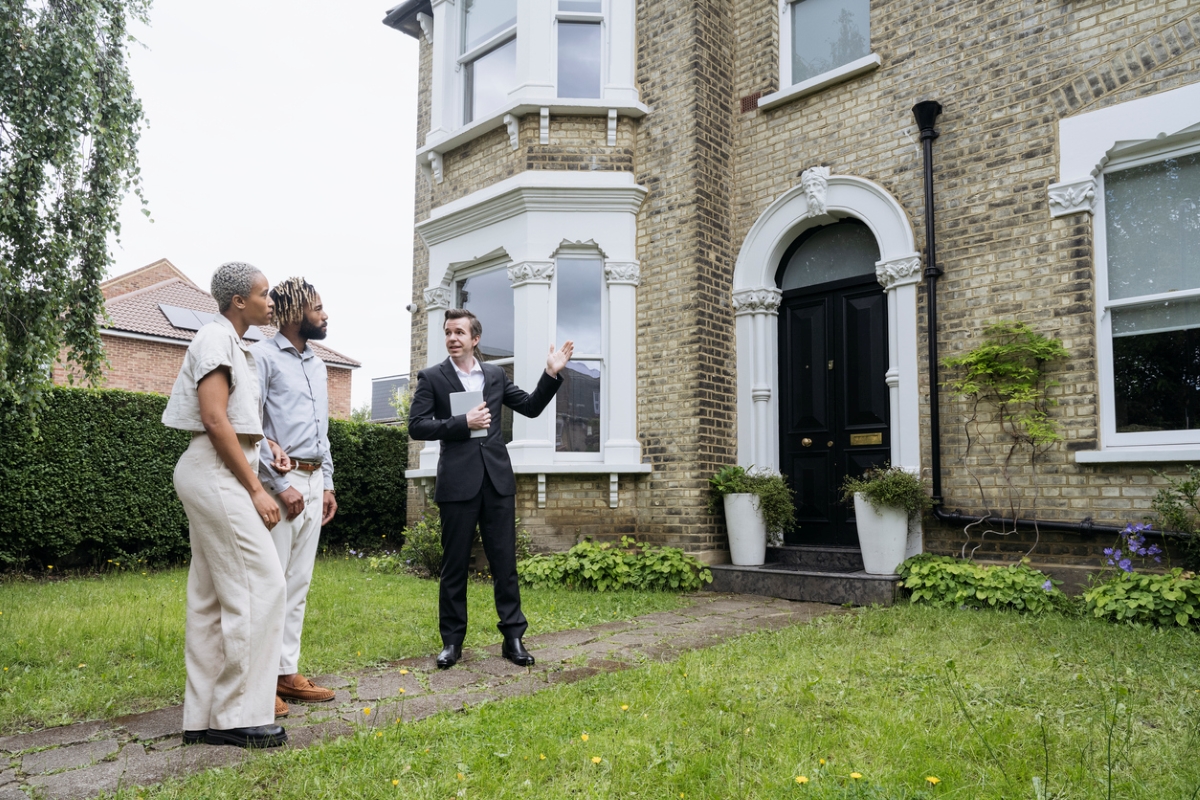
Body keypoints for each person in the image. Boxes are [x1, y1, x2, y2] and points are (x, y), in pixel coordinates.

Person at [162, 262, 287, 749]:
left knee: (212, 597)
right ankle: (236, 714)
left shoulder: (231, 343)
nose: (270, 300)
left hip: (212, 470)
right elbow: (214, 420)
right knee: (263, 586)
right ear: (239, 301)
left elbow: (231, 419)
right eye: (264, 293)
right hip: (216, 474)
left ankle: (204, 715)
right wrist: (256, 489)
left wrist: (267, 444)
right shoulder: (214, 340)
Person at [408, 308, 573, 669]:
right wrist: (461, 422)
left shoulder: (495, 375)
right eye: (448, 332)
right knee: (454, 566)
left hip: (497, 482)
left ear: (475, 339)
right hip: (457, 484)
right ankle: (452, 643)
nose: (452, 338)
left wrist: (550, 373)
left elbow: (530, 407)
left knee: (504, 563)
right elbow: (417, 426)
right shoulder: (432, 377)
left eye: (459, 333)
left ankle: (513, 638)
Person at [251, 277, 338, 718]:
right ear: (295, 312)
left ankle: (286, 672)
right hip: (278, 485)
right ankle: (258, 683)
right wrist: (279, 485)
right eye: (318, 308)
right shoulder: (262, 358)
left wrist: (327, 483)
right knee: (270, 585)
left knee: (298, 584)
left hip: (312, 479)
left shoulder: (318, 365)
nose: (325, 315)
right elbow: (251, 426)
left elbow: (321, 432)